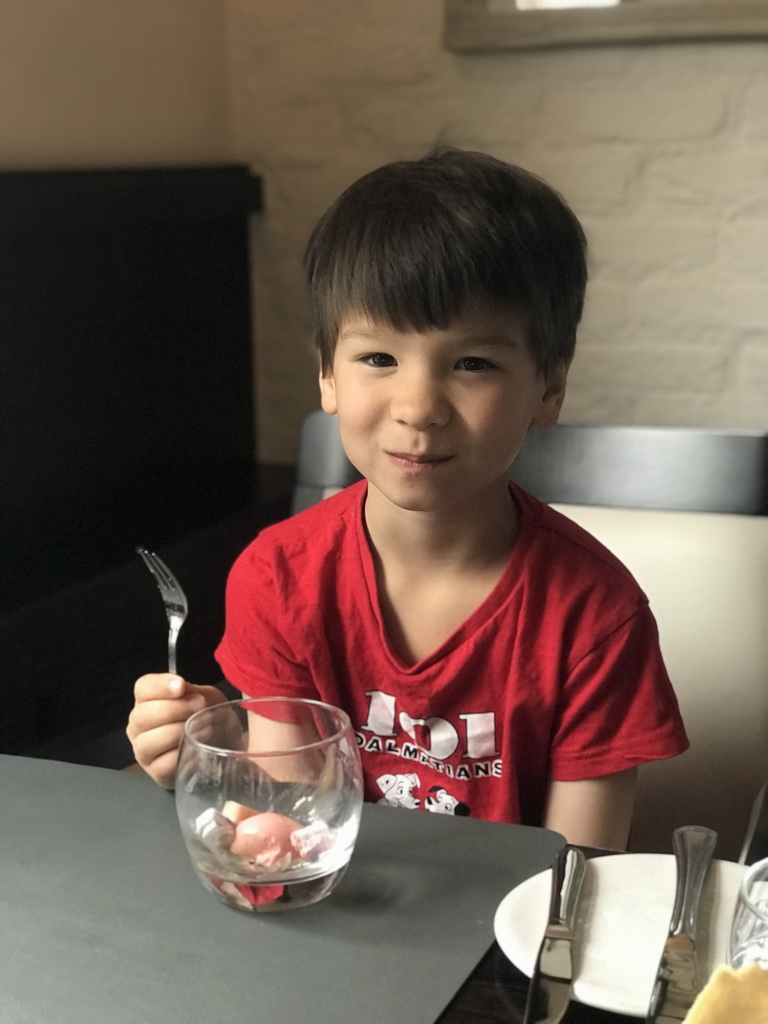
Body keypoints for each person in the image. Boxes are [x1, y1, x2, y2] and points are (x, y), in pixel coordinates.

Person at [127, 147, 688, 850]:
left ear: (549, 386)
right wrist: (220, 755)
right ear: (328, 375)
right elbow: (299, 822)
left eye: (473, 364)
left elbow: (575, 870)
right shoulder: (279, 576)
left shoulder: (596, 615)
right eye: (379, 359)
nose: (418, 407)